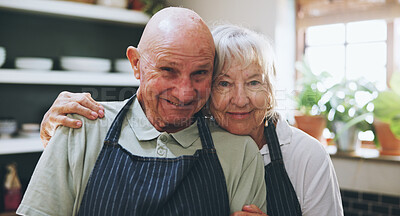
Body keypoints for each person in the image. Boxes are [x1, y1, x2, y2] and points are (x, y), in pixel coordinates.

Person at [40, 24, 344, 215]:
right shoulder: (184, 127)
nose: (240, 99)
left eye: (254, 82)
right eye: (224, 83)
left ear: (272, 86)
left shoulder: (306, 156)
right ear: (207, 87)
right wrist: (58, 128)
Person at [17, 8, 267, 216]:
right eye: (168, 70)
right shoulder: (81, 129)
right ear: (136, 64)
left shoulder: (240, 154)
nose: (184, 93)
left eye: (200, 73)